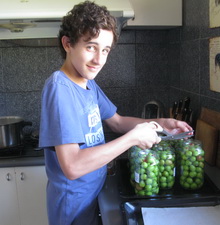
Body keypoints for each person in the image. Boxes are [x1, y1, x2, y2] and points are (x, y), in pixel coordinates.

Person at [39, 1, 192, 225]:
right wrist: (133, 139)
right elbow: (72, 167)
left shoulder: (87, 84)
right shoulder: (60, 88)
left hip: (92, 195)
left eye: (106, 50)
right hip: (73, 205)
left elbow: (118, 122)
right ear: (68, 44)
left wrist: (161, 123)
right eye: (91, 47)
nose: (99, 59)